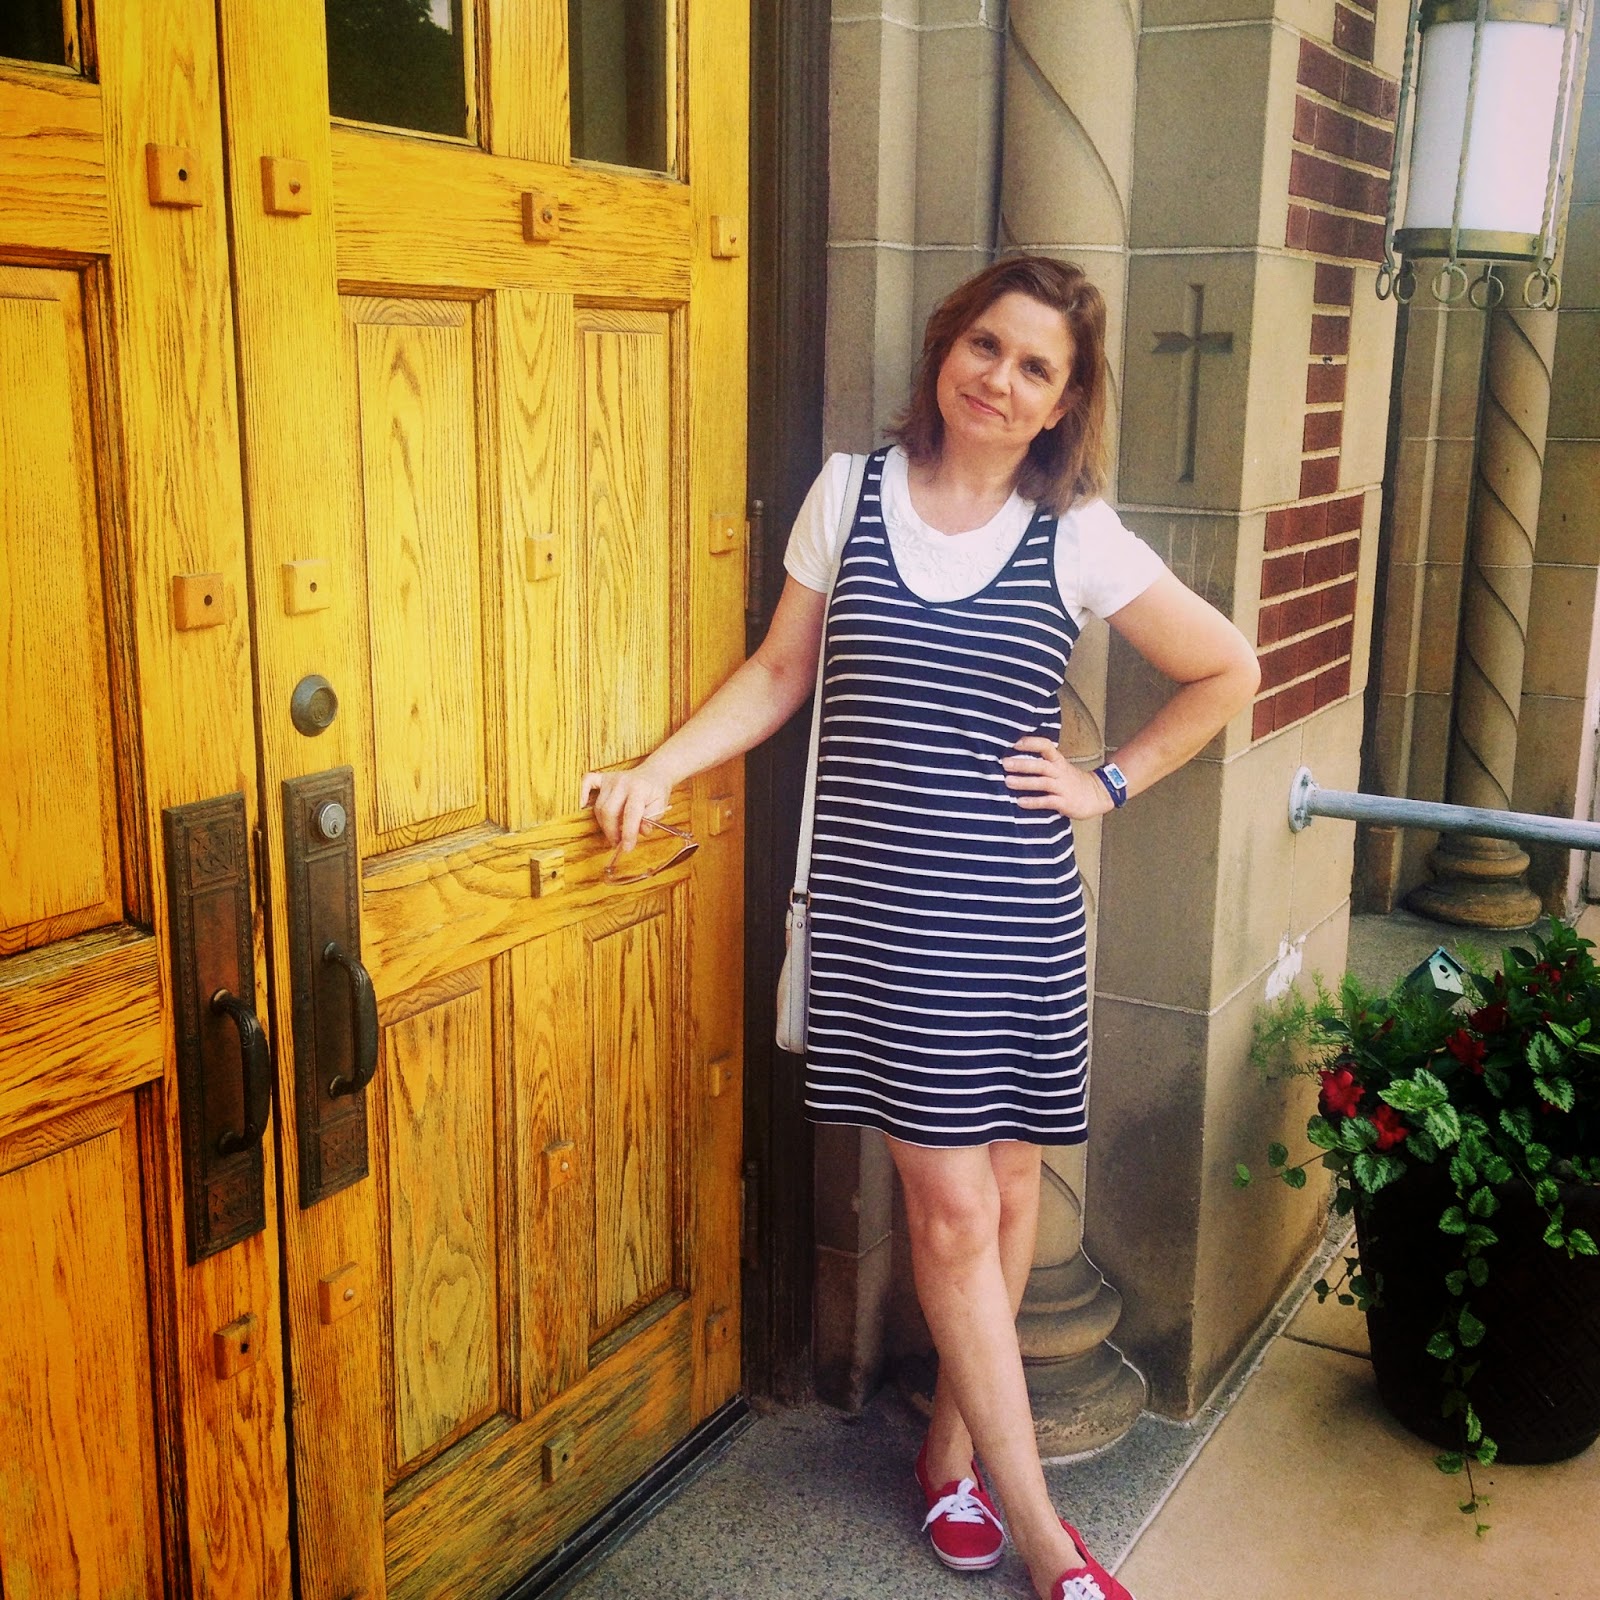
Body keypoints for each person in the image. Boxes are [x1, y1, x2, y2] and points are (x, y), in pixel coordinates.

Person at [582, 255, 1260, 1600]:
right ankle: (1053, 1545)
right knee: (951, 1215)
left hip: (1019, 915)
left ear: (1063, 404)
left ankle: (951, 1457)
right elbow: (783, 669)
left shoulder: (1076, 535)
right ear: (948, 345)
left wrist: (1108, 780)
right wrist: (661, 767)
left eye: (1036, 367)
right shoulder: (852, 493)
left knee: (1006, 1194)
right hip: (889, 917)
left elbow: (1226, 668)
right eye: (985, 345)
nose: (1000, 380)